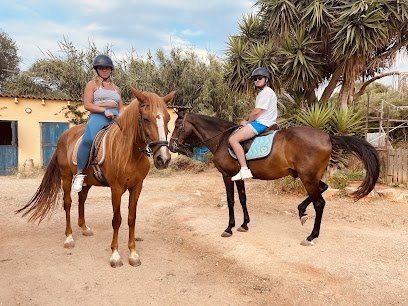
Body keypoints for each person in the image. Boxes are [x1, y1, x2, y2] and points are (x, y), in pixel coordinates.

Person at [72, 54, 124, 192]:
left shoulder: (116, 88)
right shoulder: (92, 84)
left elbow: (121, 107)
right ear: (96, 69)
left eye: (107, 67)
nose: (104, 70)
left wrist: (123, 116)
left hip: (116, 116)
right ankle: (79, 174)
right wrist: (103, 110)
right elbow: (87, 105)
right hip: (98, 116)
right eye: (101, 68)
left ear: (111, 69)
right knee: (88, 140)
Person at [229, 67, 278, 181]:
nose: (257, 80)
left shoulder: (266, 92)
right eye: (255, 79)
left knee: (233, 140)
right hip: (263, 121)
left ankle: (244, 169)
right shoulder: (263, 93)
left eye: (260, 78)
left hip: (262, 123)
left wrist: (247, 122)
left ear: (266, 79)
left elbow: (256, 112)